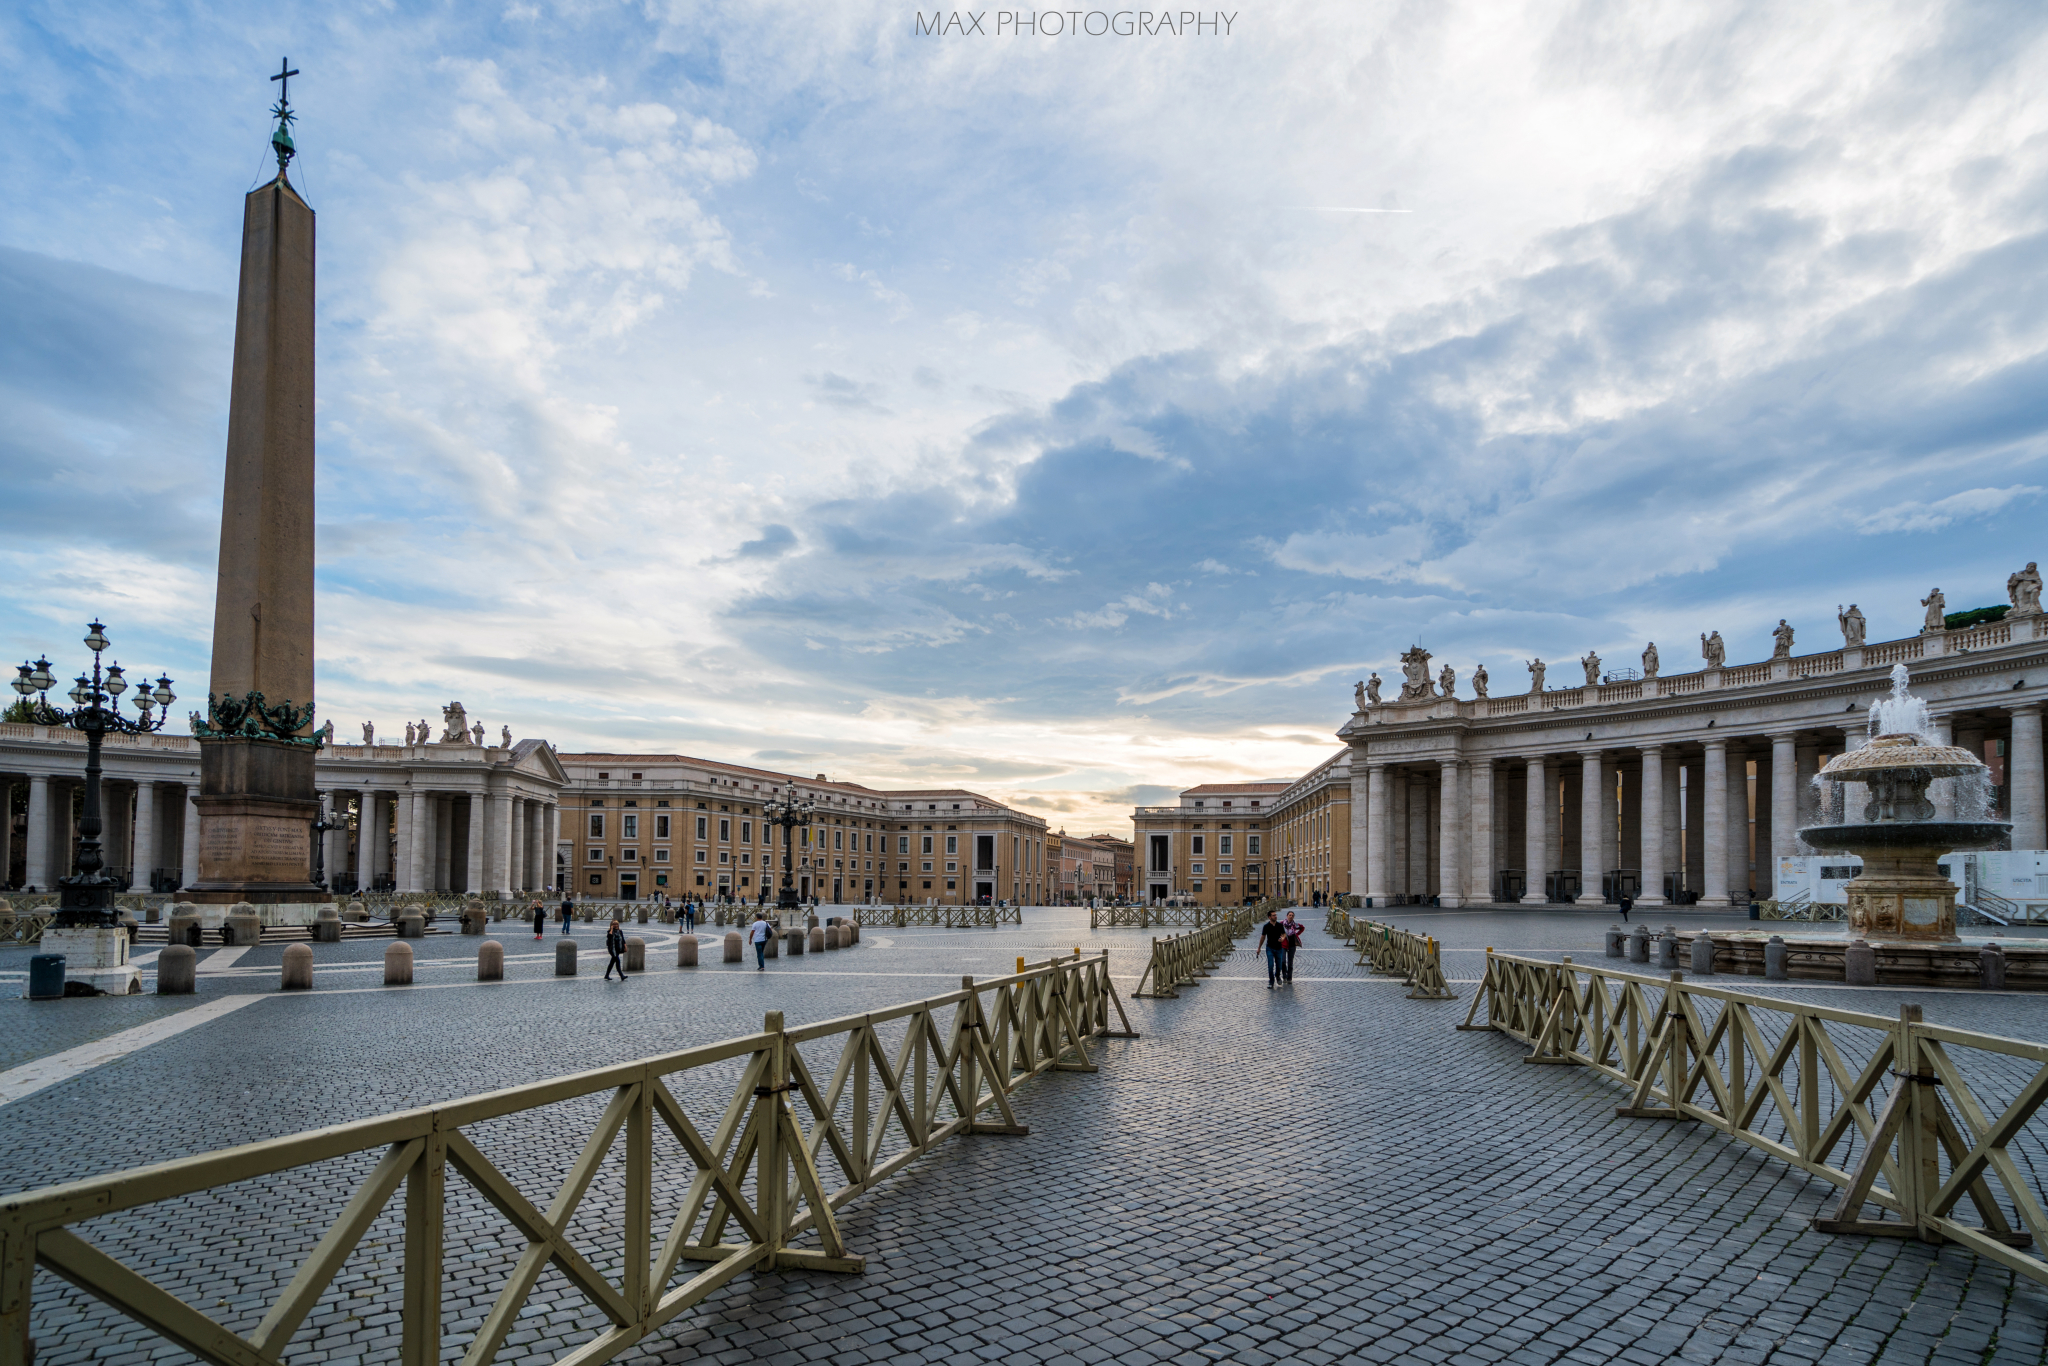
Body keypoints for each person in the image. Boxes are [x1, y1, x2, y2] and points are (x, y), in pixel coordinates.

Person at [1256, 910, 1289, 989]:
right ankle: (1271, 981)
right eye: (1273, 915)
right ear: (1269, 917)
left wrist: (1283, 938)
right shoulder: (1266, 926)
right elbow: (1263, 937)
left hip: (1279, 948)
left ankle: (1277, 976)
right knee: (1270, 965)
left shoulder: (1280, 925)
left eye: (1276, 915)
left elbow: (1284, 934)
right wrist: (1259, 948)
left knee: (1279, 966)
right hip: (1270, 948)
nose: (1275, 916)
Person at [1281, 910, 1303, 983]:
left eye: (1292, 915)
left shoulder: (1295, 925)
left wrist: (1297, 934)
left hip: (1292, 944)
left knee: (1290, 962)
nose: (1291, 916)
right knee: (1283, 961)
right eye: (1289, 915)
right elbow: (1276, 930)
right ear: (1287, 916)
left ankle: (1289, 978)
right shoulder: (1282, 924)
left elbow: (1302, 927)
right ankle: (1284, 976)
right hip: (1283, 944)